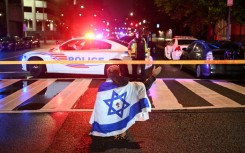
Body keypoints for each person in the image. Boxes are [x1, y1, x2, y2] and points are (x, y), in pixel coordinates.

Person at [89, 65, 162, 140]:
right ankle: (120, 130)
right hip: (120, 115)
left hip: (103, 126)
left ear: (107, 74)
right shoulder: (128, 85)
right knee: (124, 108)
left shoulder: (102, 87)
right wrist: (153, 76)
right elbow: (143, 87)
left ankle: (114, 130)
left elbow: (99, 109)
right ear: (120, 73)